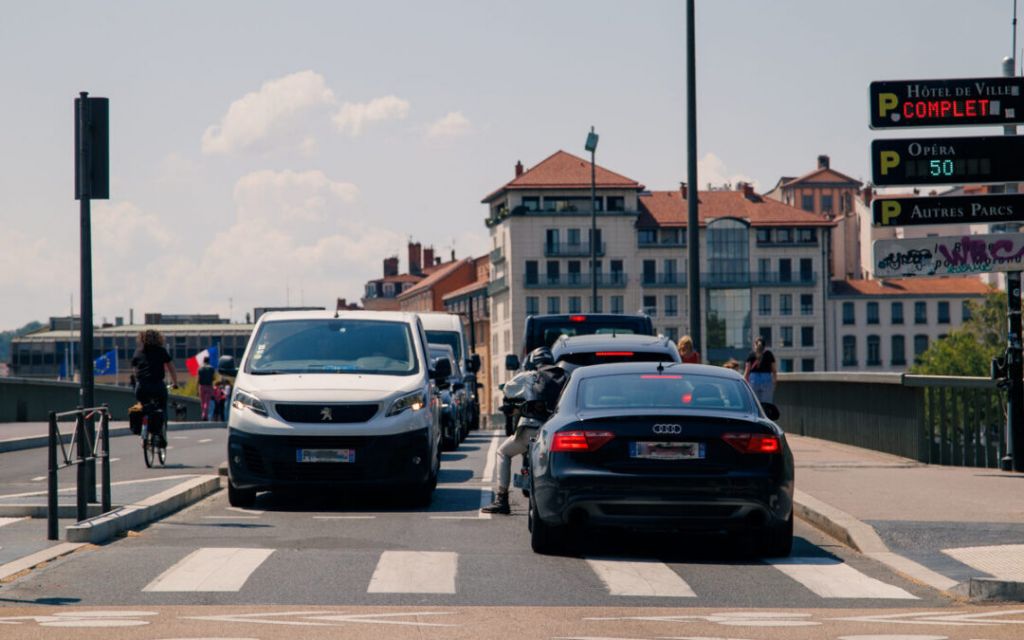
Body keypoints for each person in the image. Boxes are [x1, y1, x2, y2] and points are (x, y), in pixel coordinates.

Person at [482, 347, 568, 515]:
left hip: (531, 428)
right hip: (553, 431)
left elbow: (507, 389)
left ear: (533, 361)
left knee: (503, 453)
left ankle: (502, 499)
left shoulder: (531, 376)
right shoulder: (564, 377)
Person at [131, 329, 179, 446]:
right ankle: (160, 433)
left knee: (143, 406)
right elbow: (171, 368)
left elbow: (134, 369)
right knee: (162, 408)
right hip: (157, 385)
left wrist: (135, 383)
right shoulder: (161, 351)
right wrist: (175, 383)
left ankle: (144, 427)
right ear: (159, 338)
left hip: (142, 386)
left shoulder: (138, 352)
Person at [744, 336, 777, 403]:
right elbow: (774, 370)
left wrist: (745, 382)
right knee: (767, 403)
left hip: (754, 379)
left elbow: (747, 371)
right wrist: (774, 382)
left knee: (754, 403)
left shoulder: (751, 354)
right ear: (765, 345)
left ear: (755, 345)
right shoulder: (769, 354)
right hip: (766, 379)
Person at [197, 356, 216, 421]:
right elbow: (214, 378)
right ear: (208, 361)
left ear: (203, 361)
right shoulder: (211, 368)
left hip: (201, 386)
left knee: (202, 401)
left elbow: (198, 379)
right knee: (207, 402)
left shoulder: (200, 368)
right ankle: (205, 415)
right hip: (209, 386)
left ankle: (203, 414)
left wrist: (197, 387)